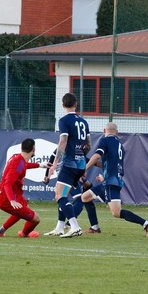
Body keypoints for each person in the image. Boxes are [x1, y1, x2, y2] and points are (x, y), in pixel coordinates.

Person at [82, 122, 148, 237]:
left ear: (104, 131)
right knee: (85, 197)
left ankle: (146, 223)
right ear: (117, 133)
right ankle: (95, 227)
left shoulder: (105, 140)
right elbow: (110, 163)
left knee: (116, 212)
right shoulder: (120, 145)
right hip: (113, 180)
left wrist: (84, 169)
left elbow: (97, 156)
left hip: (111, 182)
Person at [45, 92, 91, 238]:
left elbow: (63, 141)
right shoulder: (84, 122)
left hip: (69, 163)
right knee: (62, 194)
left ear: (63, 105)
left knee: (59, 195)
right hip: (81, 164)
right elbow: (88, 145)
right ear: (76, 104)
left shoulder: (64, 120)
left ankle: (75, 226)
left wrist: (54, 164)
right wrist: (81, 158)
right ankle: (59, 227)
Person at [0, 138, 51, 238]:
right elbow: (8, 184)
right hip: (7, 198)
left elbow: (23, 165)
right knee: (36, 219)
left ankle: (0, 231)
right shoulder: (18, 164)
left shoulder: (17, 157)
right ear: (33, 149)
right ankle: (24, 233)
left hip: (5, 194)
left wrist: (40, 165)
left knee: (23, 208)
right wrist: (11, 200)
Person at [42, 149, 102, 233]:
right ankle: (65, 225)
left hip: (70, 180)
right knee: (71, 198)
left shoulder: (73, 149)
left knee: (76, 199)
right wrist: (46, 176)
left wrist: (47, 176)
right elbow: (51, 162)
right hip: (67, 181)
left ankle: (70, 225)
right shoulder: (64, 149)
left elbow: (90, 161)